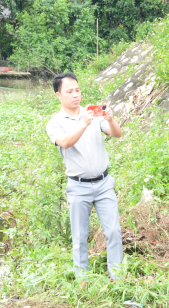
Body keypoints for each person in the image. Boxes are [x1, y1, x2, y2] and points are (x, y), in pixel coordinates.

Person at [46, 72, 124, 279]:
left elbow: (117, 133)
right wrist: (83, 124)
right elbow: (65, 143)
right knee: (80, 237)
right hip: (78, 186)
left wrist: (110, 119)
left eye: (77, 90)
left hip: (104, 183)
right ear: (58, 95)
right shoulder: (54, 123)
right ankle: (82, 280)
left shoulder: (92, 114)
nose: (75, 95)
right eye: (69, 92)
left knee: (113, 231)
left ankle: (117, 277)